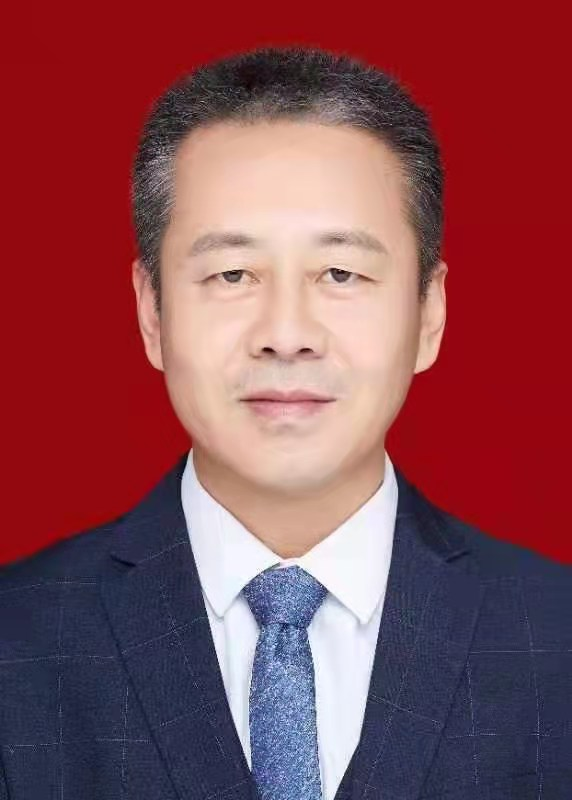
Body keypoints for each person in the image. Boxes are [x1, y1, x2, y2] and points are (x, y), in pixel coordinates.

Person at [0, 45, 570, 800]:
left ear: (429, 313)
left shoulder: (555, 637)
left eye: (341, 273)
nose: (287, 334)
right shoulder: (16, 641)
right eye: (232, 274)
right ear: (151, 313)